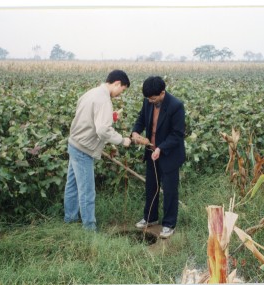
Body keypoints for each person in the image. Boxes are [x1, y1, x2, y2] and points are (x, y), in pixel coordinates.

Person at [64, 70, 132, 231]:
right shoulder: (104, 100)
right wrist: (122, 140)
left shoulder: (91, 93)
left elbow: (87, 115)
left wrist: (111, 117)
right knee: (87, 191)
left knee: (72, 186)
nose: (119, 94)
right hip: (83, 150)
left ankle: (70, 219)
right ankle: (89, 229)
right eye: (121, 90)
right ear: (116, 83)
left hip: (74, 143)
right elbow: (102, 130)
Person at [132, 76, 185, 238]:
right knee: (151, 187)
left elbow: (177, 134)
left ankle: (169, 224)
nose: (150, 101)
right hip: (151, 151)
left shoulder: (176, 106)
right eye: (148, 98)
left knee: (169, 190)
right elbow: (141, 120)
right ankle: (150, 218)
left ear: (162, 93)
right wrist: (135, 132)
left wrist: (161, 148)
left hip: (169, 154)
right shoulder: (148, 102)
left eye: (153, 98)